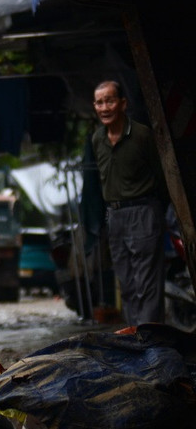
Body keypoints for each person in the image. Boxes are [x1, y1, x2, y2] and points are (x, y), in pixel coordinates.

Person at [90, 80, 166, 326]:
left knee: (147, 284)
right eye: (99, 102)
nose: (104, 107)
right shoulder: (97, 139)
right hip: (115, 216)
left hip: (143, 210)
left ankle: (151, 344)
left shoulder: (141, 135)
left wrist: (156, 211)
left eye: (109, 101)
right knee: (128, 284)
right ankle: (135, 340)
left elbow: (161, 175)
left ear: (123, 104)